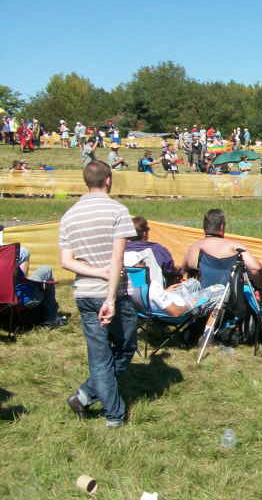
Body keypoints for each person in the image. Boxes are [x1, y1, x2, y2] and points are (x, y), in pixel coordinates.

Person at [60, 161, 137, 428]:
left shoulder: (69, 216)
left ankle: (84, 396)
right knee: (125, 348)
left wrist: (93, 271)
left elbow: (66, 261)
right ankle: (115, 416)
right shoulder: (118, 210)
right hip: (112, 292)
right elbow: (117, 258)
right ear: (109, 180)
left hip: (84, 293)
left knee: (101, 355)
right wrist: (111, 296)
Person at [181, 209, 262, 286]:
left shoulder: (193, 248)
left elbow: (183, 272)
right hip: (229, 298)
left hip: (203, 298)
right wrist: (259, 286)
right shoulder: (235, 247)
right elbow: (255, 268)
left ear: (204, 227)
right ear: (222, 227)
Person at [15, 246, 65, 328]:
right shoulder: (9, 253)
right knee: (46, 269)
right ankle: (51, 319)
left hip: (3, 300)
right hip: (20, 299)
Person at [125, 216, 179, 284]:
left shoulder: (119, 250)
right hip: (155, 291)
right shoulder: (157, 249)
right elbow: (169, 269)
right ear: (144, 233)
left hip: (125, 290)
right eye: (147, 229)